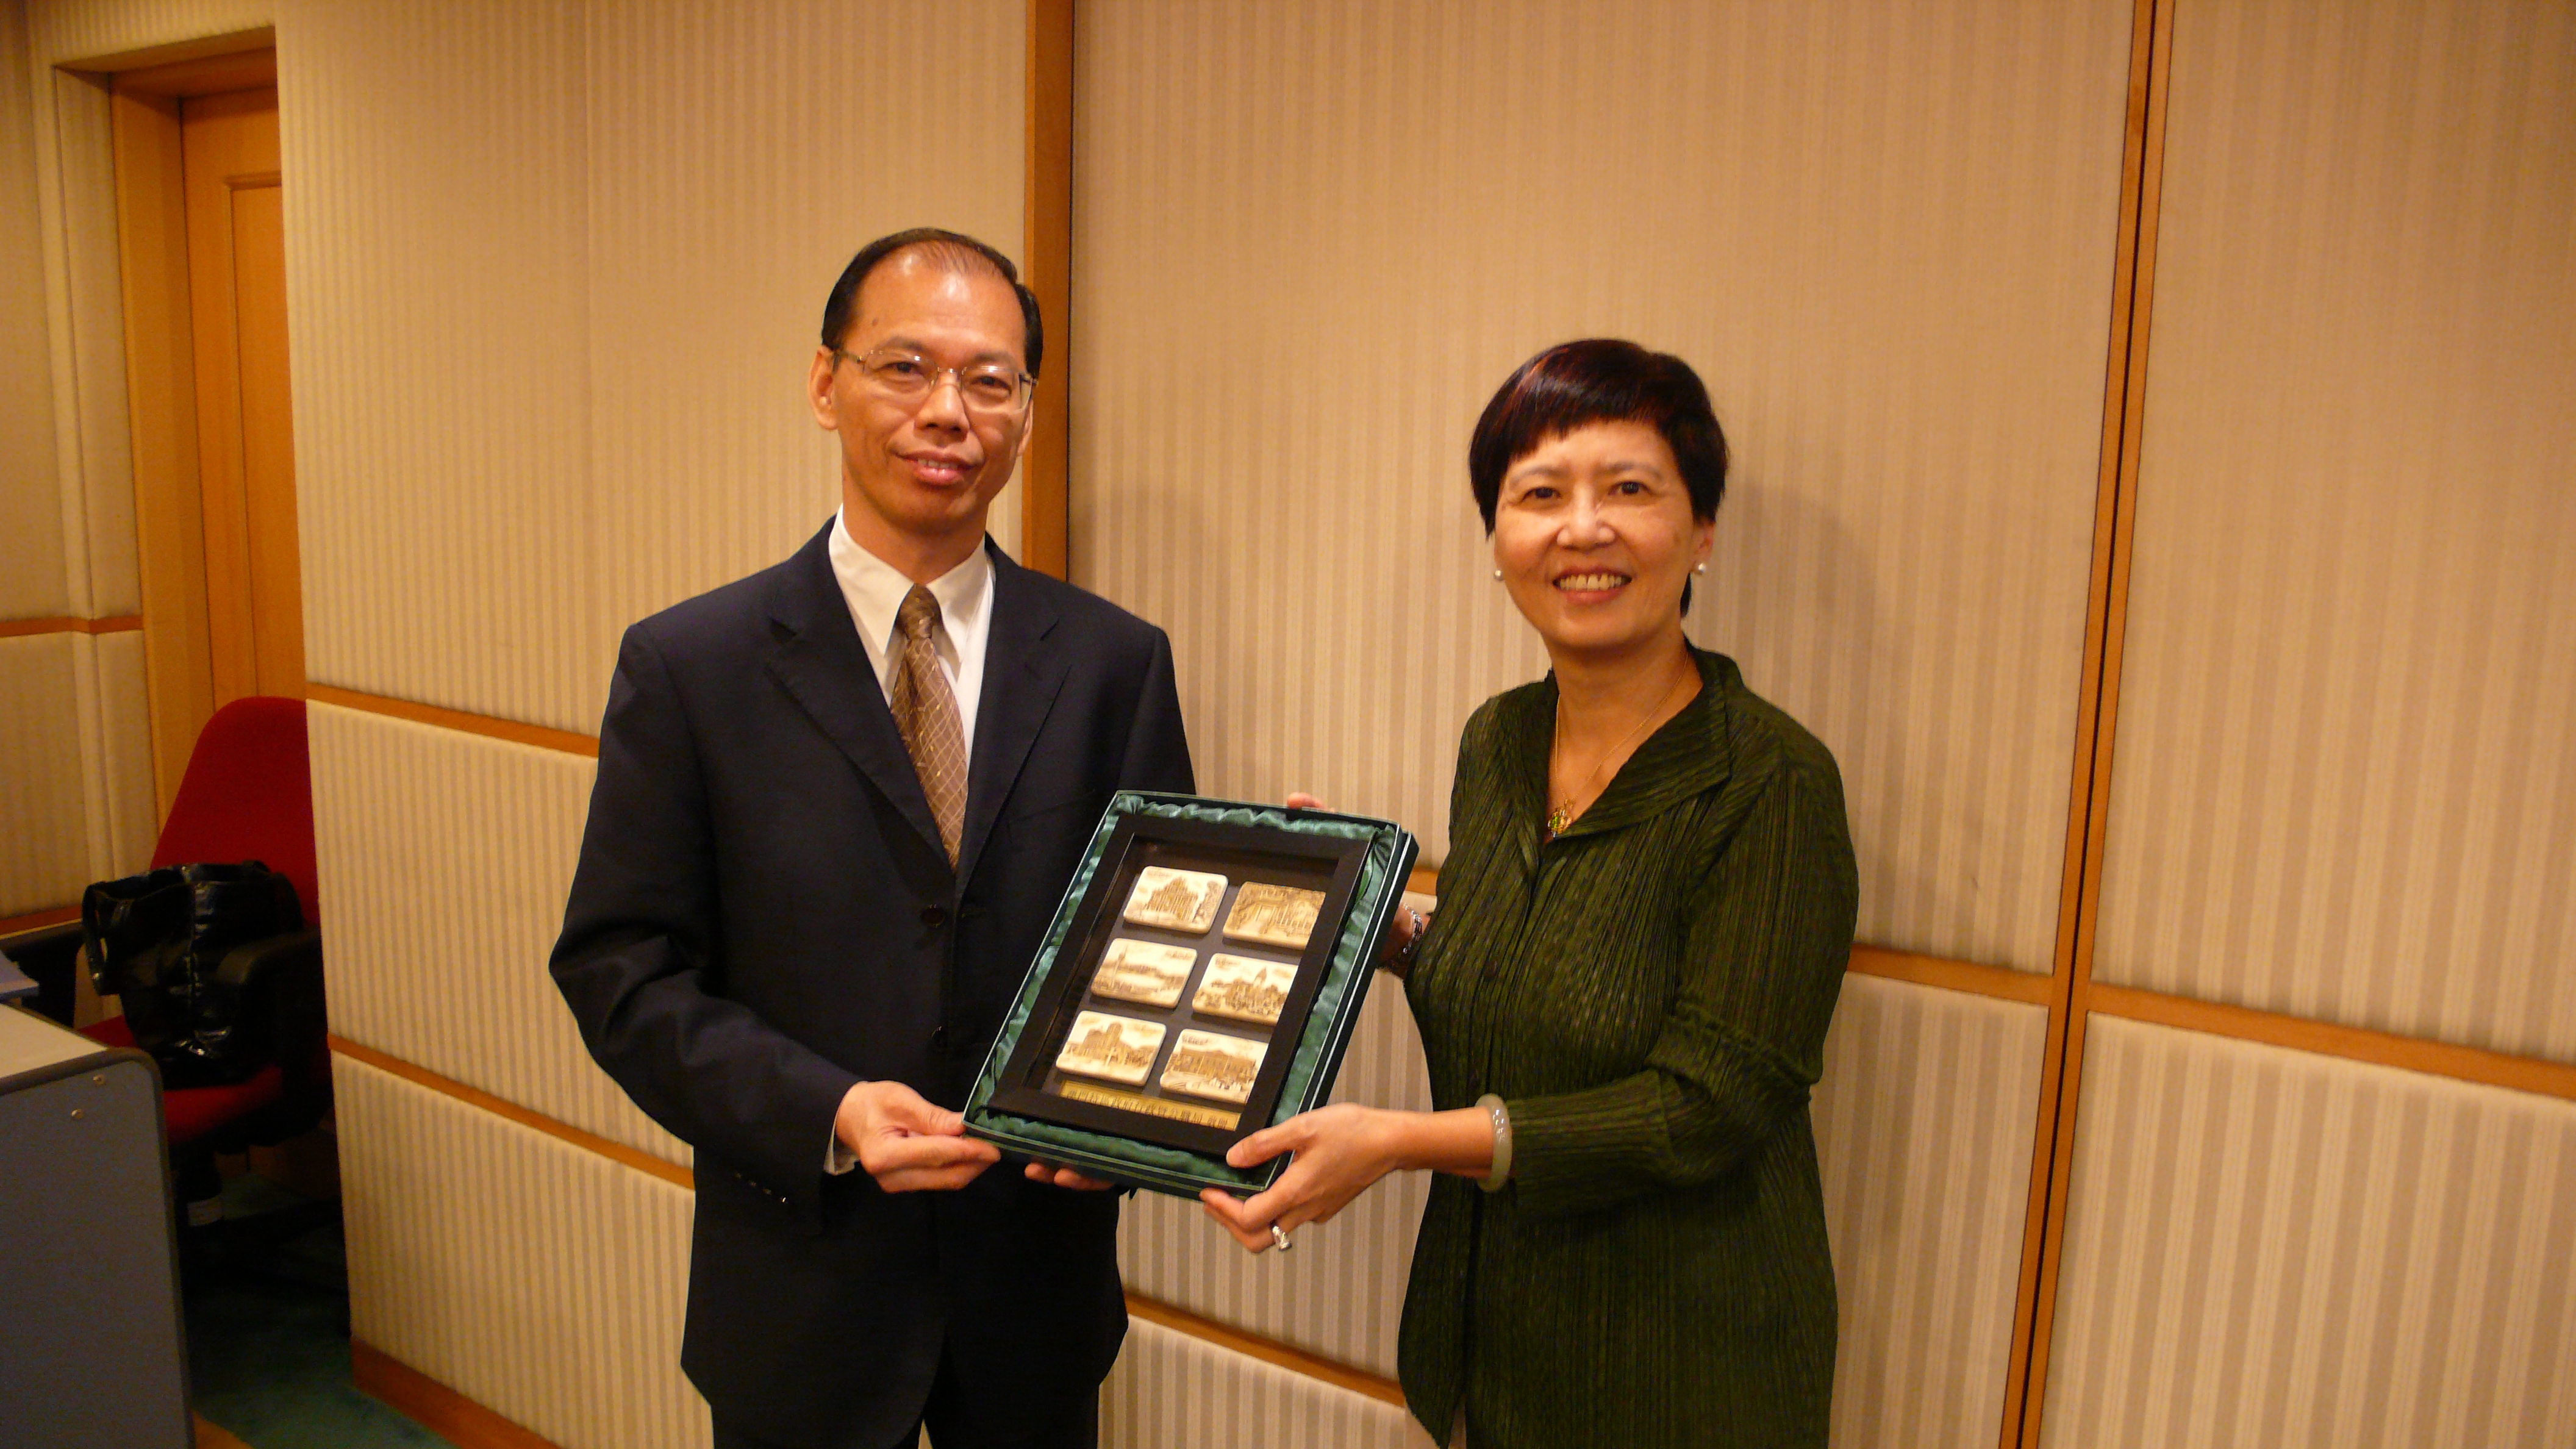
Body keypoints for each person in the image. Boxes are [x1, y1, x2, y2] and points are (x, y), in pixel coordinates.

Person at [552, 228, 1193, 1449]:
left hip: (1034, 1291)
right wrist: (828, 1110)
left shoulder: (1115, 661)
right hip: (803, 1286)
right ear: (824, 383)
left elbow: (1151, 951)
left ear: (1025, 414)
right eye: (906, 366)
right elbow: (621, 972)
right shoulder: (692, 665)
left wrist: (1136, 1123)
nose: (948, 411)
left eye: (990, 380)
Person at [1202, 339, 1858, 1448]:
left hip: (1680, 1369)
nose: (1583, 529)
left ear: (1703, 531)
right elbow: (1518, 971)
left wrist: (1400, 1140)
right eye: (1541, 494)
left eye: (1630, 489)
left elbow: (1709, 1106)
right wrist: (1367, 922)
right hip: (1484, 1339)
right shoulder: (1501, 740)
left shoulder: (1770, 781)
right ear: (1498, 539)